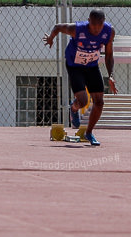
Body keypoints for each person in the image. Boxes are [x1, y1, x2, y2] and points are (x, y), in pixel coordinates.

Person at [43, 10, 117, 146]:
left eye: (99, 25)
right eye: (93, 25)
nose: (96, 29)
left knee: (99, 102)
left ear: (104, 22)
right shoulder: (78, 29)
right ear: (88, 21)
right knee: (83, 101)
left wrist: (111, 75)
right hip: (74, 65)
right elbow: (58, 26)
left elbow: (109, 54)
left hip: (92, 66)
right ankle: (74, 108)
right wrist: (51, 38)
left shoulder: (109, 31)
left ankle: (89, 132)